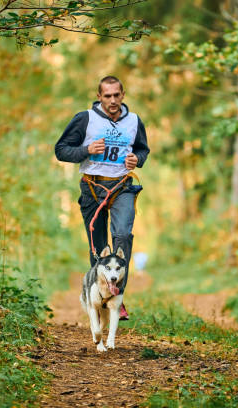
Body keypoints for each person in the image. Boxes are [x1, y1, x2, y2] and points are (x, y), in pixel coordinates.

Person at [55, 76, 150, 319]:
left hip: (122, 187)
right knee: (98, 247)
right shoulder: (85, 119)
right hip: (91, 188)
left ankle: (117, 299)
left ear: (123, 94)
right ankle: (98, 297)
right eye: (107, 96)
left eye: (117, 95)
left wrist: (137, 159)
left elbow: (142, 149)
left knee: (122, 236)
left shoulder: (134, 121)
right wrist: (86, 150)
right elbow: (61, 150)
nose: (113, 100)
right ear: (99, 97)